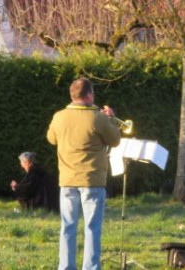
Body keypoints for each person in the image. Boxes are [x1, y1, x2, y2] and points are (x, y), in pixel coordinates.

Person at [47, 78, 121, 270]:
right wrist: (111, 118)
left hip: (67, 180)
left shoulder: (58, 116)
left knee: (68, 227)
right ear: (88, 95)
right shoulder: (99, 117)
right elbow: (115, 140)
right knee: (92, 229)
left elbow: (51, 139)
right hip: (93, 181)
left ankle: (65, 267)